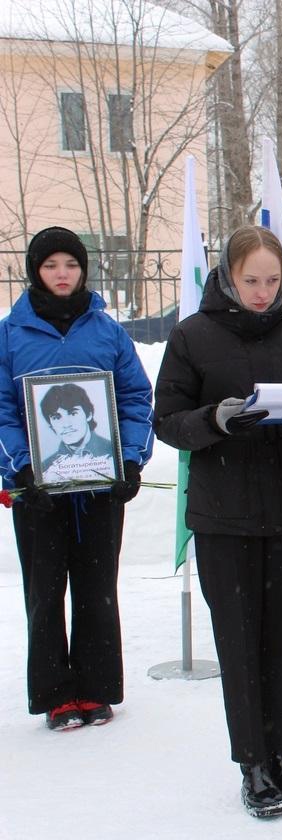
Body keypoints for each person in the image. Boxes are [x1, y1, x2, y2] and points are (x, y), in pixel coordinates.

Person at [153, 225, 282, 819]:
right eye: (251, 280)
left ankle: (281, 754)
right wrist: (216, 419)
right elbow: (168, 419)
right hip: (224, 517)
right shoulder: (193, 337)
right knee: (239, 643)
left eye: (273, 280)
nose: (263, 292)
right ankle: (251, 763)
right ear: (229, 279)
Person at [0, 226, 152, 731]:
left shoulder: (107, 331)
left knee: (97, 587)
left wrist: (129, 460)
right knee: (45, 591)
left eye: (70, 264)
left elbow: (135, 398)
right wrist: (22, 466)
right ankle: (55, 693)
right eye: (50, 266)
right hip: (38, 491)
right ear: (35, 272)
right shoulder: (10, 334)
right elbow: (1, 408)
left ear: (84, 269)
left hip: (99, 488)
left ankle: (95, 687)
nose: (62, 274)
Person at [37, 382, 116, 480]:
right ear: (51, 425)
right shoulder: (45, 469)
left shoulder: (114, 453)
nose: (66, 425)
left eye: (73, 413)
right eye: (56, 418)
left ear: (88, 415)